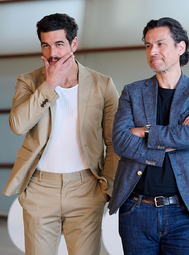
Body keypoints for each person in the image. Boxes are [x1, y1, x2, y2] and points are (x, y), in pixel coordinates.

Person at [3, 13, 120, 255]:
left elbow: (115, 142)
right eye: (46, 45)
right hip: (39, 188)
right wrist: (50, 85)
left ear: (73, 44)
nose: (52, 53)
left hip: (87, 189)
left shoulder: (103, 84)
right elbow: (17, 124)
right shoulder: (29, 81)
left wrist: (106, 187)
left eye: (59, 44)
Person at [108, 17, 189, 254]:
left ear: (181, 48)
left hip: (183, 211)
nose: (153, 51)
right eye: (148, 45)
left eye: (160, 44)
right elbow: (120, 141)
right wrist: (171, 141)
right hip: (136, 210)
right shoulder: (133, 91)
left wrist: (145, 131)